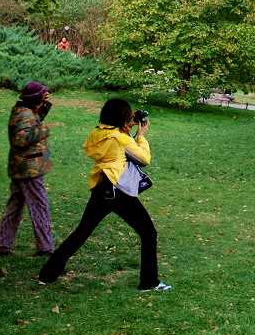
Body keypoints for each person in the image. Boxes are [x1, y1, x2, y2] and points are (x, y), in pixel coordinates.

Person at [38, 98, 170, 292]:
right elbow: (144, 159)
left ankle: (47, 274)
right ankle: (149, 282)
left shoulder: (97, 133)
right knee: (148, 233)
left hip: (101, 187)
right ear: (122, 117)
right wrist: (141, 134)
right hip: (118, 191)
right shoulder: (120, 138)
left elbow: (113, 143)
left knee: (81, 232)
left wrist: (126, 127)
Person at [0, 81, 56, 256]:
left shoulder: (24, 110)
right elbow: (20, 139)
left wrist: (44, 104)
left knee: (16, 205)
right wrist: (44, 130)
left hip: (22, 167)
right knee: (40, 206)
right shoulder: (24, 114)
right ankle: (45, 246)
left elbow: (34, 120)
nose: (45, 96)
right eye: (42, 95)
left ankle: (2, 244)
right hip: (29, 169)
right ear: (35, 99)